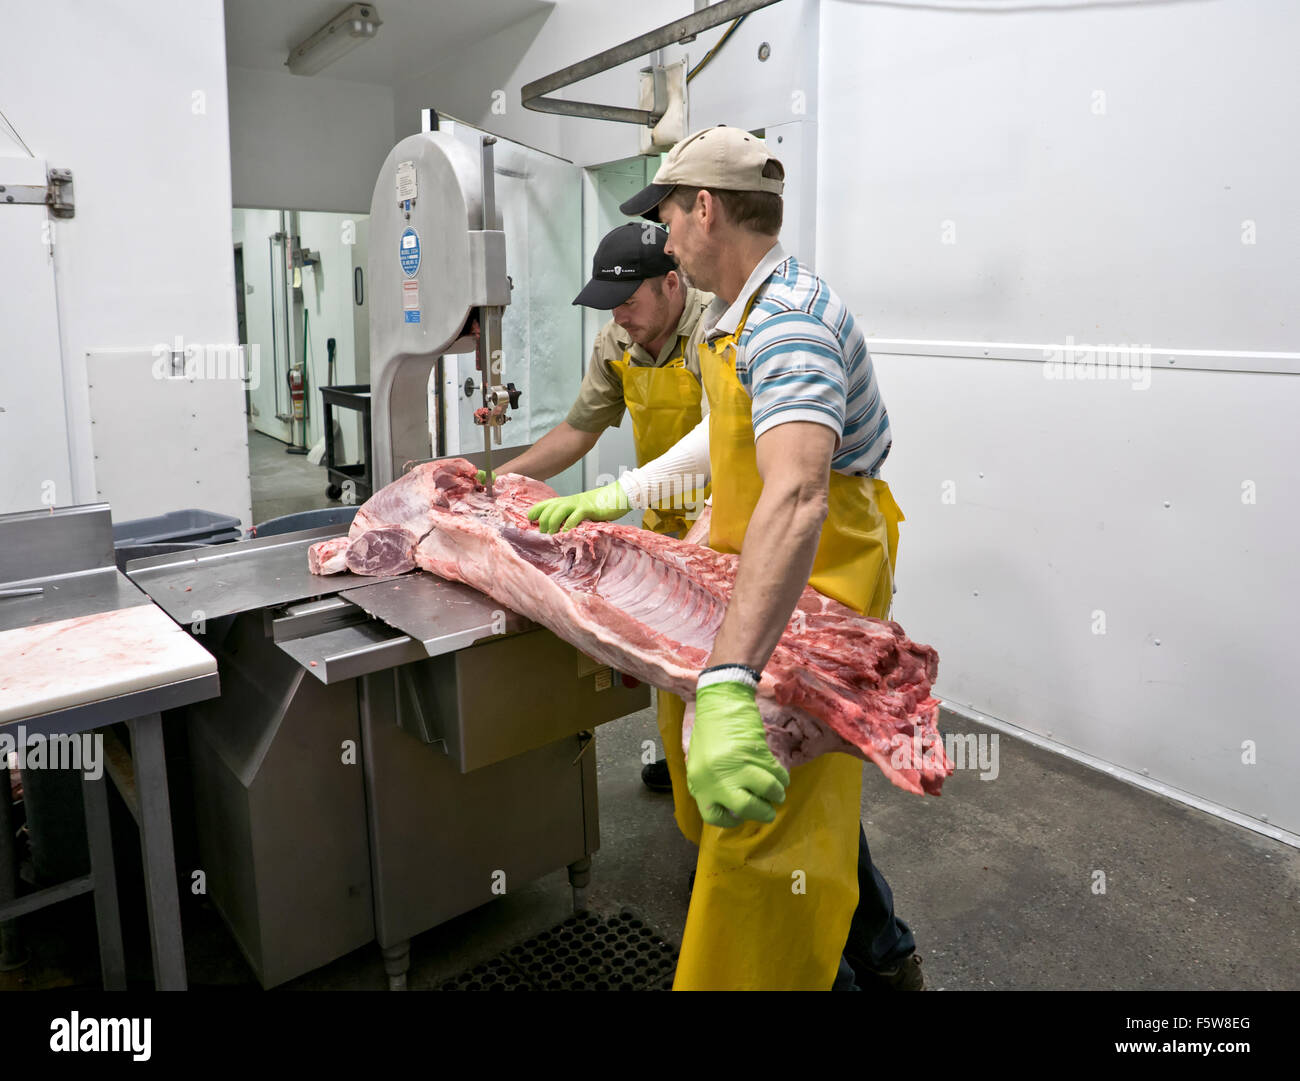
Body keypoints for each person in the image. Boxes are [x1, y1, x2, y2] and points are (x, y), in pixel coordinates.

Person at [526, 125, 924, 991]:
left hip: (819, 579)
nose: (665, 238)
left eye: (668, 215)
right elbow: (730, 431)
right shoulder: (740, 320)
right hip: (762, 572)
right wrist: (622, 493)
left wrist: (730, 678)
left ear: (705, 209)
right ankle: (887, 957)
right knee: (797, 795)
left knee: (757, 839)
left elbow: (797, 496)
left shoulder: (789, 323)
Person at [487, 221, 714, 793]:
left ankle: (727, 828)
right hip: (667, 517)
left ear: (670, 284)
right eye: (608, 304)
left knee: (724, 662)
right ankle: (682, 759)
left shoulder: (716, 329)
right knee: (669, 654)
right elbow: (578, 431)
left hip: (727, 513)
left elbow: (723, 443)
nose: (618, 317)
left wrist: (619, 496)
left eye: (628, 302)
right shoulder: (617, 342)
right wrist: (497, 481)